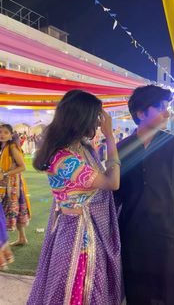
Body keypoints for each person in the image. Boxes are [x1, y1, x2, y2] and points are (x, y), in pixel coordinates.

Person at [28, 90, 122, 305]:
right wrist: (110, 137)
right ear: (82, 119)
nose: (99, 123)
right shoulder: (65, 159)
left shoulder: (82, 148)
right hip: (78, 238)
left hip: (81, 230)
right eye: (97, 117)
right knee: (77, 290)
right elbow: (112, 183)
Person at [115, 85, 174, 305]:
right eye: (160, 107)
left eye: (167, 107)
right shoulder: (120, 150)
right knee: (138, 296)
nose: (167, 112)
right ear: (140, 112)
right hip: (134, 239)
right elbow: (113, 197)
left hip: (171, 238)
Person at [0, 124, 31, 246]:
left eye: (6, 132)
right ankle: (22, 238)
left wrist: (5, 174)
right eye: (0, 132)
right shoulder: (4, 146)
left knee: (9, 210)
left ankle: (4, 242)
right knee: (16, 211)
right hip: (6, 183)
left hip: (12, 185)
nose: (2, 135)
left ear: (11, 135)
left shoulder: (12, 146)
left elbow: (22, 167)